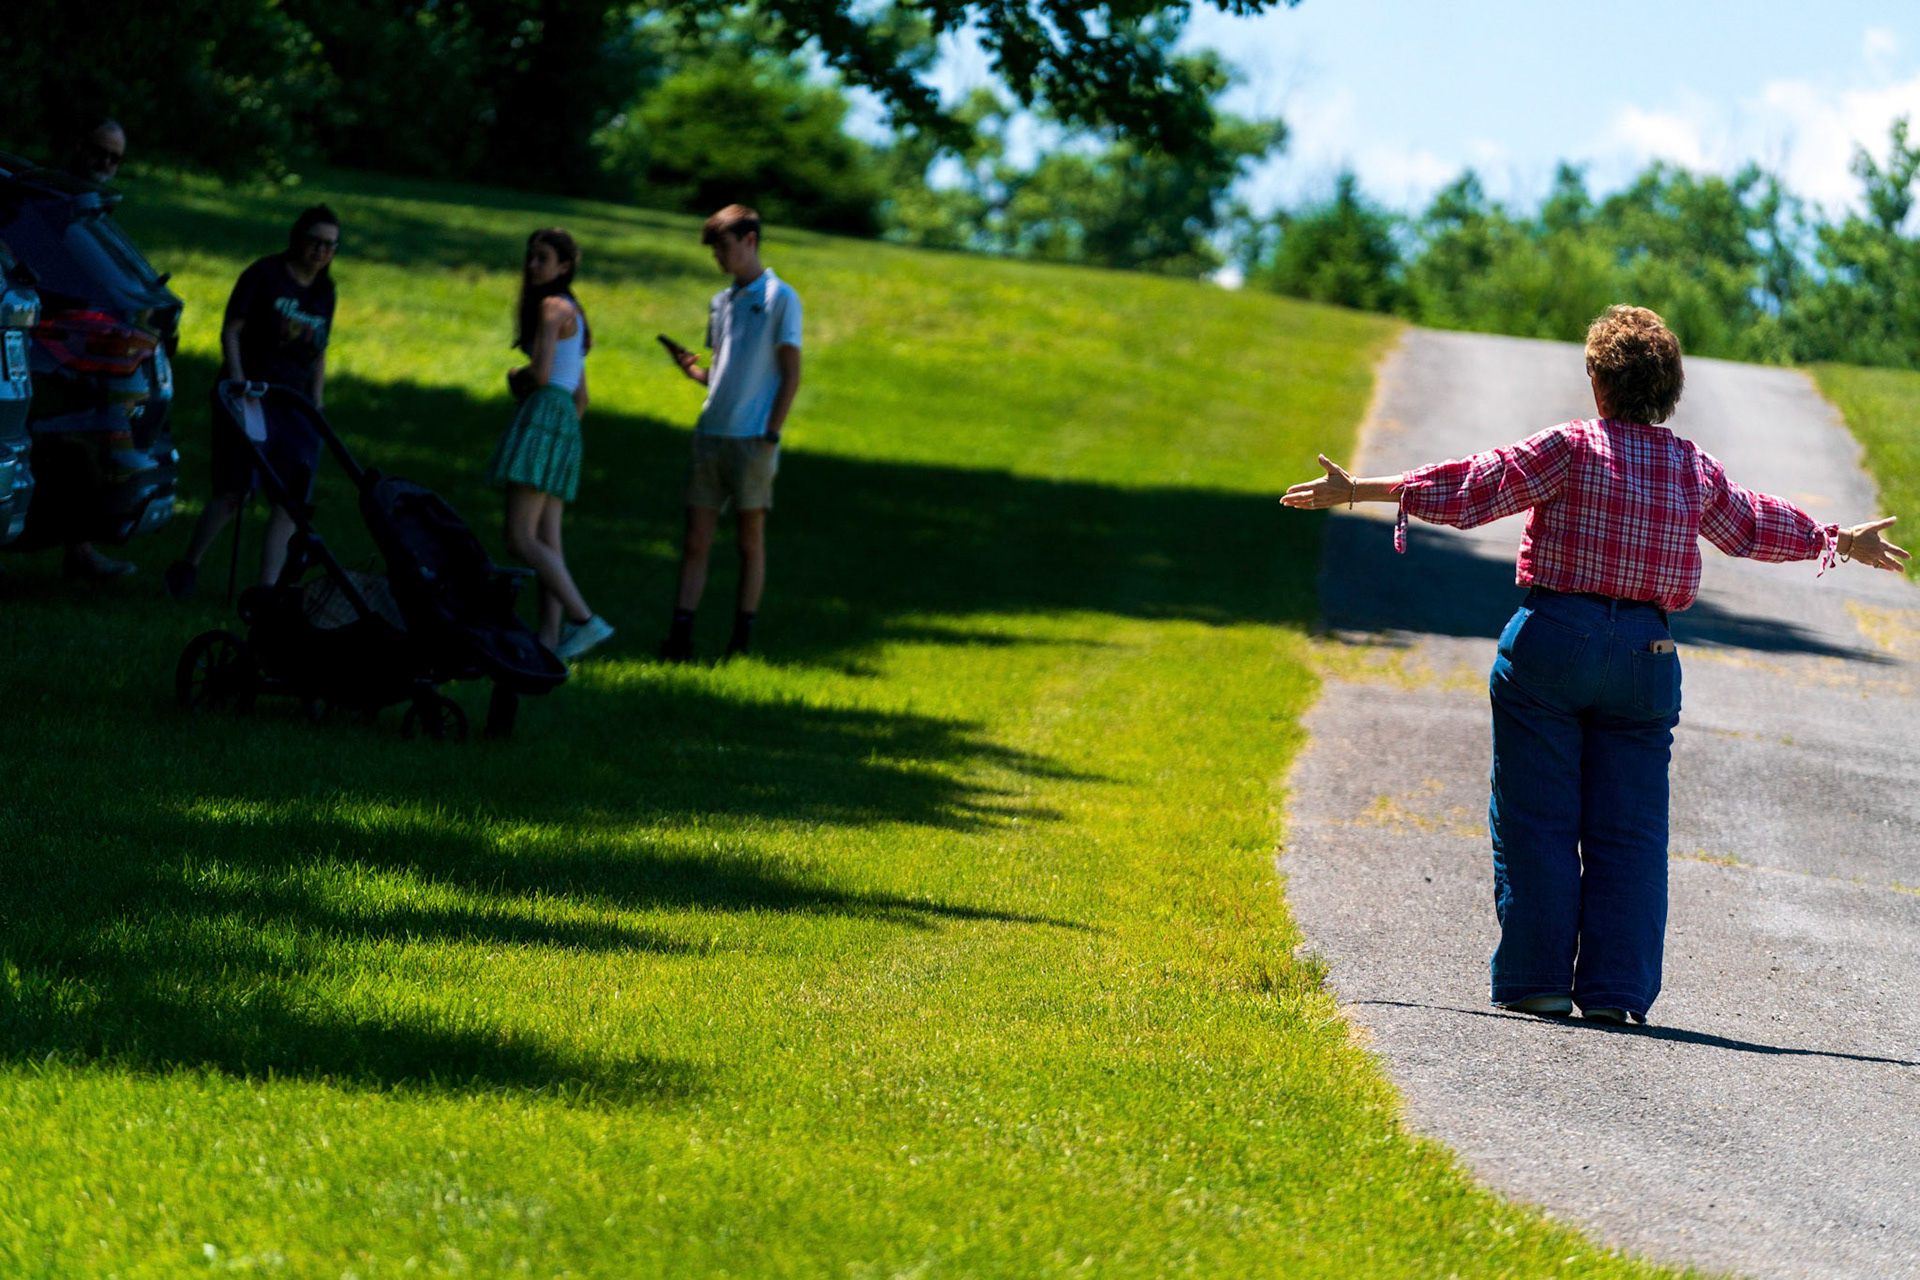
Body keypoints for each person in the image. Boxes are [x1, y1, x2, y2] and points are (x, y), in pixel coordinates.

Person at [1281, 305, 1908, 1026]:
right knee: (1631, 832)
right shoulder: (1691, 467)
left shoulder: (1571, 447)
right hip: (1648, 656)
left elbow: (1473, 486)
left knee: (1537, 817)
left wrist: (1359, 488)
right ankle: (1614, 994)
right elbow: (1752, 524)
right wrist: (1837, 538)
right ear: (1669, 389)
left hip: (1556, 640)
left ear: (1598, 381)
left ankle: (1538, 981)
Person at [164, 206, 340, 599]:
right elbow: (233, 330)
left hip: (294, 403)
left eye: (330, 245)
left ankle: (267, 589)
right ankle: (188, 564)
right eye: (315, 241)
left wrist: (317, 398)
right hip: (252, 395)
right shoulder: (264, 276)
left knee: (292, 500)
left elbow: (320, 349)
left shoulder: (325, 292)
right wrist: (237, 380)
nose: (321, 251)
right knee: (236, 489)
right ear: (298, 239)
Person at [659, 204, 802, 662]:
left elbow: (790, 373)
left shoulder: (781, 297)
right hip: (710, 434)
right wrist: (694, 373)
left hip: (752, 439)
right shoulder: (720, 303)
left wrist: (771, 433)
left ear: (750, 241)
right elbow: (723, 371)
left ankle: (741, 641)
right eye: (715, 251)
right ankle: (680, 637)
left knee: (748, 542)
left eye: (724, 247)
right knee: (695, 540)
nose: (719, 258)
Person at [482, 228, 613, 660]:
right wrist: (562, 433)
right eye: (530, 256)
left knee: (519, 538)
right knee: (547, 540)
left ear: (564, 266)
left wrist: (516, 378)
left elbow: (539, 376)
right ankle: (549, 641)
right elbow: (582, 396)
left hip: (543, 415)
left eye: (543, 258)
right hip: (563, 424)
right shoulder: (573, 309)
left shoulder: (552, 306)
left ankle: (583, 620)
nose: (532, 265)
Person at [60, 117, 135, 580]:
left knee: (77, 446)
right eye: (99, 153)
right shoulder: (54, 198)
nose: (106, 164)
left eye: (115, 158)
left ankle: (79, 549)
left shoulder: (96, 206)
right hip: (46, 334)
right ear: (79, 146)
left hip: (82, 338)